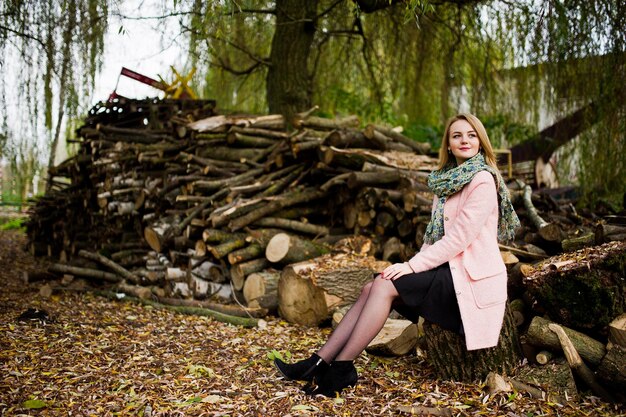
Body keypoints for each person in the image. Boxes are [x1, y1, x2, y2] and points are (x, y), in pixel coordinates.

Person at [274, 113, 521, 397]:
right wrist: (409, 267)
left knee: (383, 286)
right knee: (374, 285)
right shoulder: (445, 184)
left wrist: (412, 265)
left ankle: (341, 368)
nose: (464, 140)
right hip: (448, 271)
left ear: (481, 141)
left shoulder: (482, 180)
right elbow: (434, 238)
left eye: (471, 135)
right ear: (448, 145)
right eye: (457, 136)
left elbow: (458, 239)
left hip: (469, 279)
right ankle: (318, 362)